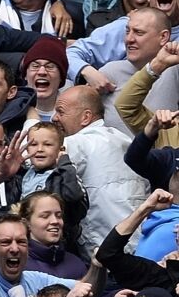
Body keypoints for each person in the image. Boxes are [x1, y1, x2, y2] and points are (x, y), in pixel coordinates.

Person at [54, 85, 149, 257]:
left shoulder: (76, 143)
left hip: (107, 255)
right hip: (141, 245)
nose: (54, 118)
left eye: (60, 112)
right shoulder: (123, 138)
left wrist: (31, 121)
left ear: (86, 117)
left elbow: (35, 158)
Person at [21, 190, 87, 279]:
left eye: (59, 216)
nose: (55, 221)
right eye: (45, 216)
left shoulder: (76, 263)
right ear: (27, 223)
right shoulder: (18, 265)